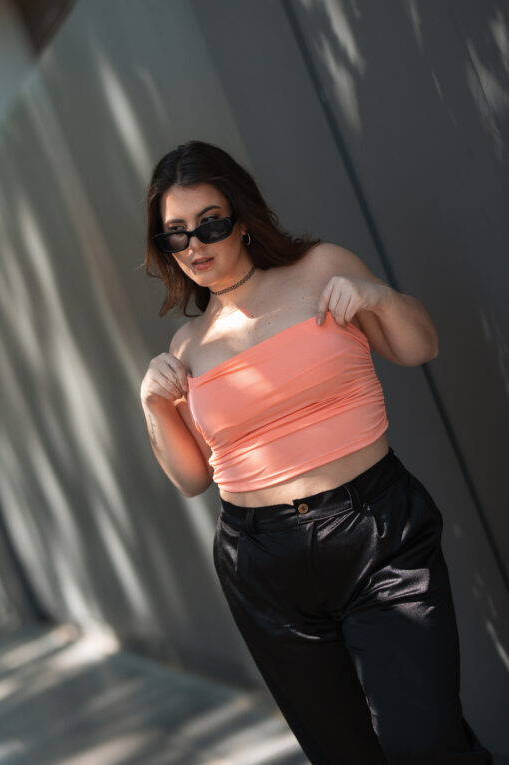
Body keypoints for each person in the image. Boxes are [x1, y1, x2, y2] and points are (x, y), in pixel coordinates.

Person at [140, 140, 492, 765]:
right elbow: (193, 478)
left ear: (242, 219)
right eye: (176, 233)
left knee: (423, 743)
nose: (195, 244)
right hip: (260, 560)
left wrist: (378, 298)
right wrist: (154, 404)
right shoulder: (187, 345)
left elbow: (419, 347)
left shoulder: (322, 268)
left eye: (210, 223)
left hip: (376, 533)